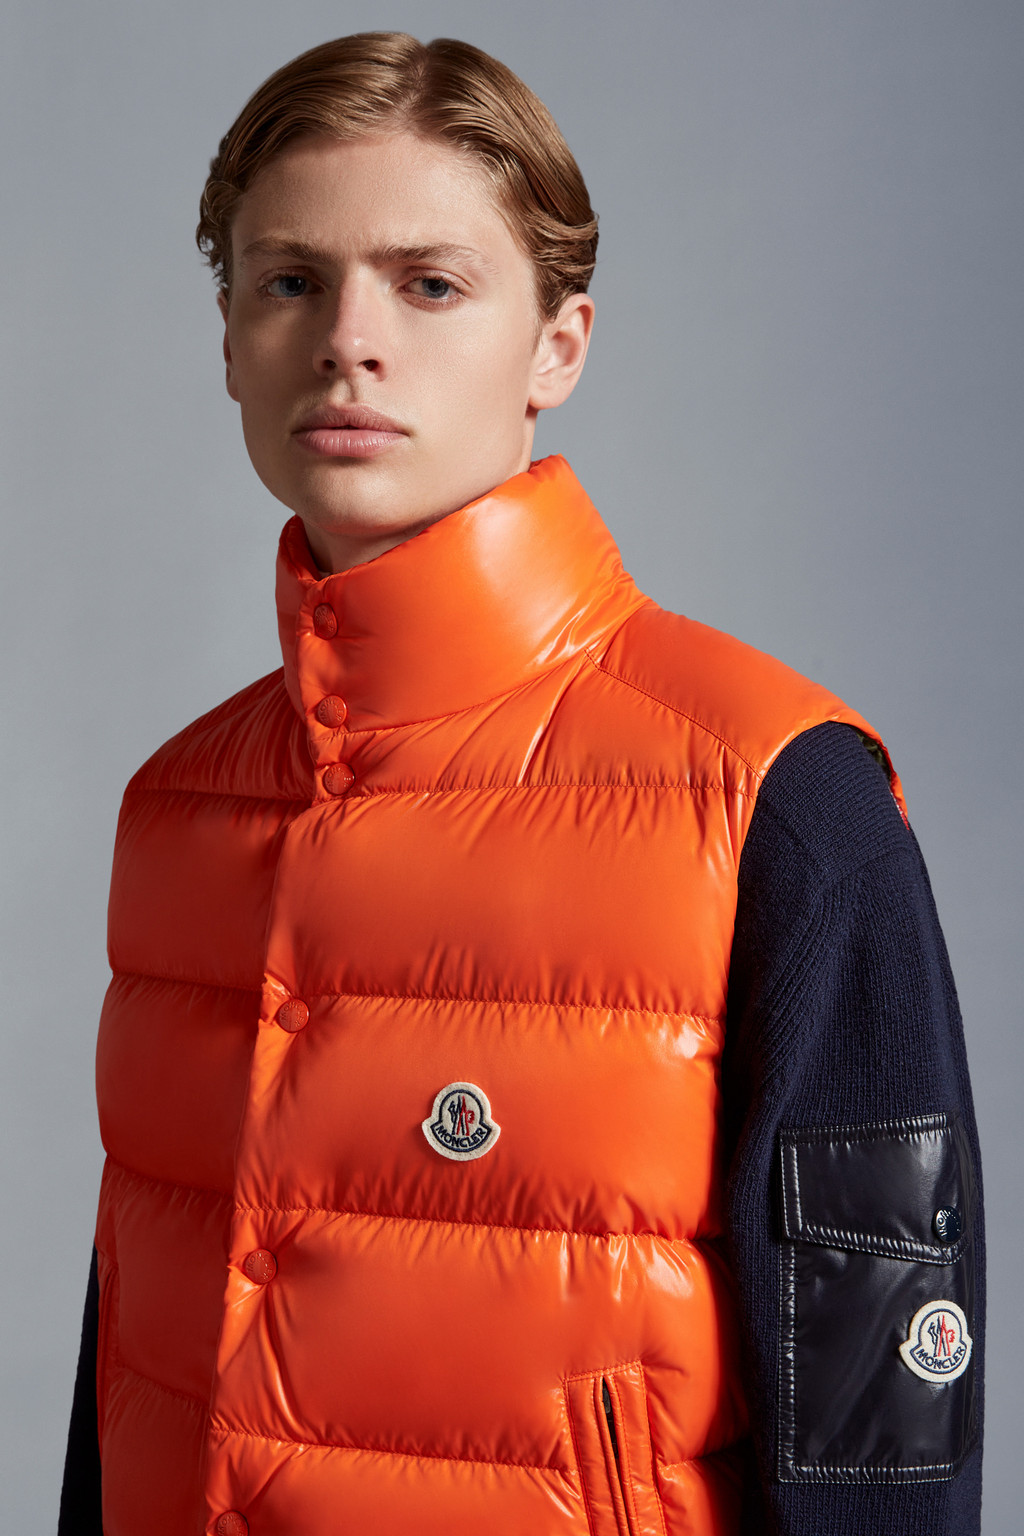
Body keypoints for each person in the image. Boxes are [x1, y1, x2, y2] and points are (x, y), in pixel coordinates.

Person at [59, 31, 984, 1536]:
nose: (349, 341)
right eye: (289, 280)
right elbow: (130, 1371)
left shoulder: (773, 794)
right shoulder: (176, 809)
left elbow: (881, 1441)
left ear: (559, 345)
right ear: (228, 338)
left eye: (429, 285)